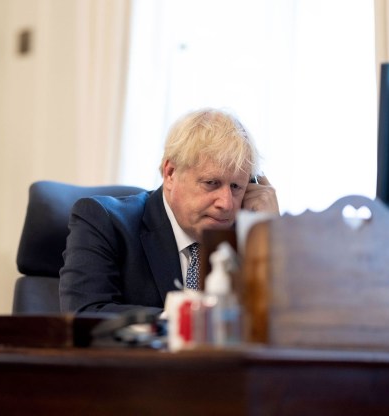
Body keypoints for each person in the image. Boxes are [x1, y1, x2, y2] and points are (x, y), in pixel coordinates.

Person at [59, 108, 279, 314]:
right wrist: (191, 320)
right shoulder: (103, 221)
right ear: (170, 173)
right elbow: (85, 315)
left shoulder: (246, 235)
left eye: (236, 187)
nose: (227, 204)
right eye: (211, 183)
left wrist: (273, 234)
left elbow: (287, 323)